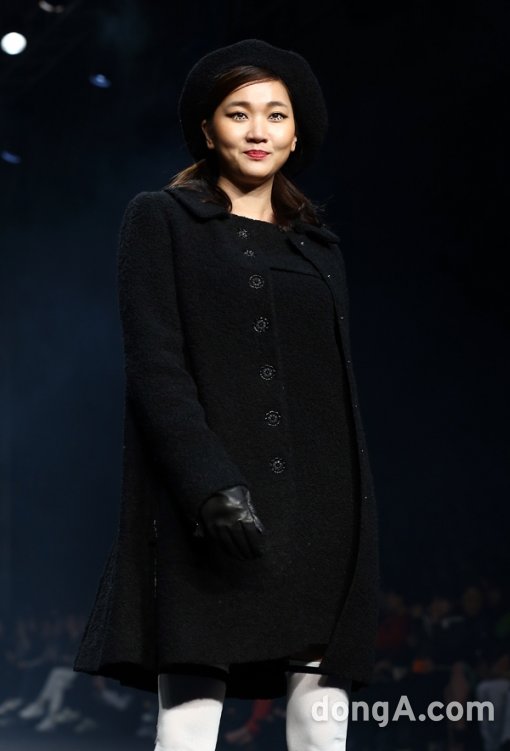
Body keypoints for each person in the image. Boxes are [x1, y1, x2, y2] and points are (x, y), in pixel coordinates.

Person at [73, 38, 381, 751]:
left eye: (276, 114)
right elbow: (155, 366)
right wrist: (208, 485)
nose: (258, 129)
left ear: (296, 133)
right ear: (208, 130)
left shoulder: (320, 247)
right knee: (188, 728)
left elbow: (333, 389)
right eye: (238, 113)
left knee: (322, 730)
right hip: (212, 508)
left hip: (324, 513)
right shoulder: (162, 218)